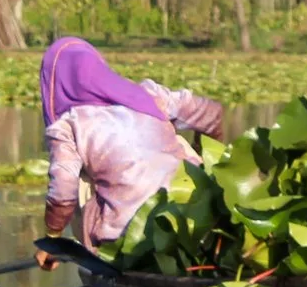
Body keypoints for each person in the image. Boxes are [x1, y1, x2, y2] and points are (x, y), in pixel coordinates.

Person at [38, 37, 228, 266]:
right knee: (179, 146)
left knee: (81, 181)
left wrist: (53, 239)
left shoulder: (68, 126)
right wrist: (204, 158)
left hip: (125, 236)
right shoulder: (152, 95)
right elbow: (212, 115)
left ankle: (99, 252)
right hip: (194, 218)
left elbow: (63, 191)